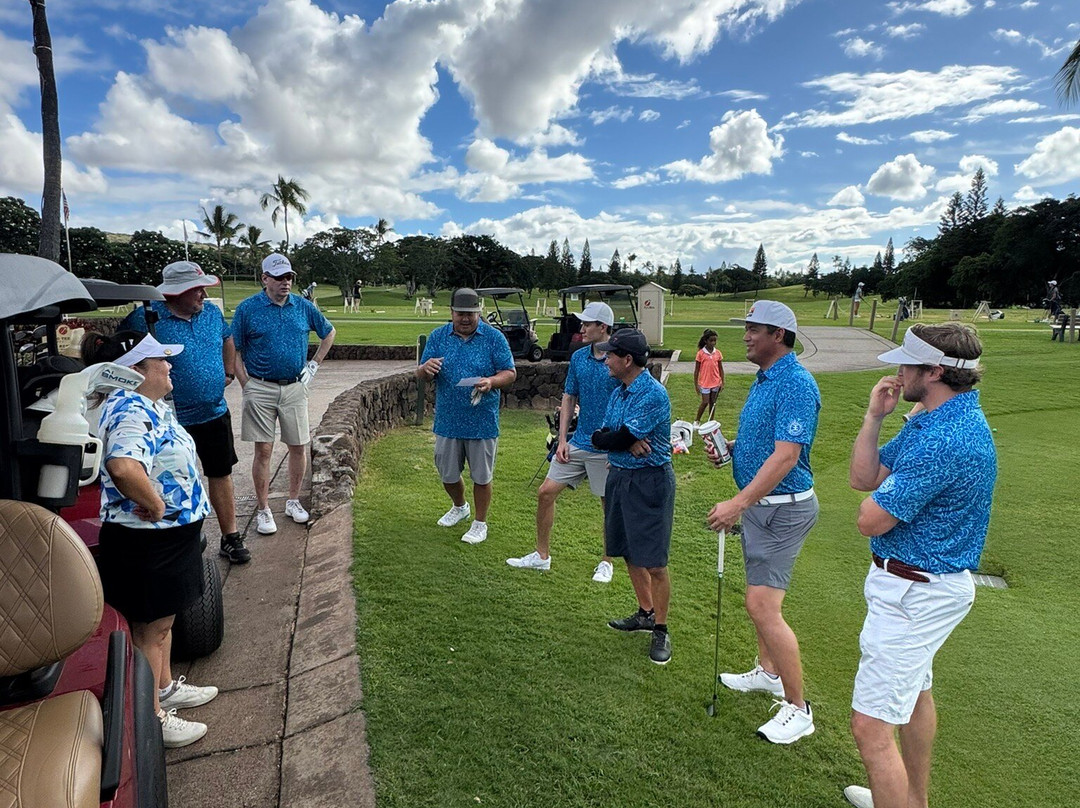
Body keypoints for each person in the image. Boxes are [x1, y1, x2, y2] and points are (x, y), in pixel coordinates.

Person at [843, 323, 996, 808]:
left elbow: (869, 518)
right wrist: (874, 417)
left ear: (934, 372)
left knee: (870, 727)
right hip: (922, 586)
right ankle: (913, 800)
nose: (899, 373)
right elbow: (863, 476)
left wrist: (880, 499)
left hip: (915, 593)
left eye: (908, 365)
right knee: (914, 697)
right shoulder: (933, 420)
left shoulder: (943, 438)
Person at [84, 331, 219, 749]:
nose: (169, 365)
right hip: (150, 540)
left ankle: (164, 688)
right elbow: (124, 466)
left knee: (163, 624)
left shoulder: (148, 404)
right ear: (135, 371)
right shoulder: (130, 408)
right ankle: (150, 718)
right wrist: (157, 505)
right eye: (161, 360)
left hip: (167, 538)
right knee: (149, 631)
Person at [707, 300, 820, 744]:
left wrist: (737, 503)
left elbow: (787, 456)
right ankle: (768, 673)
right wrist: (733, 448)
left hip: (783, 509)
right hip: (763, 506)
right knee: (759, 597)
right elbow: (768, 443)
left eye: (755, 329)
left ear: (779, 335)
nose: (746, 336)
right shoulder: (766, 378)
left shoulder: (796, 383)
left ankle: (799, 708)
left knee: (761, 605)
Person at [121, 260, 249, 565]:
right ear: (175, 293)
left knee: (221, 472)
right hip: (170, 418)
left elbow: (227, 338)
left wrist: (228, 371)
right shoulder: (145, 318)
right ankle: (184, 540)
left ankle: (230, 536)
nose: (203, 294)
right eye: (196, 289)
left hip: (214, 411)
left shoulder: (212, 314)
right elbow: (124, 357)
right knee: (174, 479)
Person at [506, 302, 620, 581]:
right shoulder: (579, 357)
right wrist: (561, 440)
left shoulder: (619, 359)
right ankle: (541, 556)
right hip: (578, 442)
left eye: (587, 324)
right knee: (546, 492)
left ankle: (607, 562)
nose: (582, 328)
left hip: (607, 446)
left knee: (608, 504)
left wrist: (621, 444)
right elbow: (569, 397)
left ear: (603, 327)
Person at [232, 254, 336, 535]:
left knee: (298, 445)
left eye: (289, 277)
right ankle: (263, 509)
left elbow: (329, 333)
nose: (285, 282)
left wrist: (314, 365)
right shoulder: (247, 309)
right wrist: (245, 383)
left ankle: (292, 501)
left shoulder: (303, 306)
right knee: (263, 449)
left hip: (294, 387)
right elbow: (235, 348)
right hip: (260, 386)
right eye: (279, 277)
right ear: (265, 279)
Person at [593, 328, 675, 665]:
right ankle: (645, 612)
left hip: (649, 481)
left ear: (627, 359)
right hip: (620, 476)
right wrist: (624, 442)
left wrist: (621, 439)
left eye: (610, 355)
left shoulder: (652, 394)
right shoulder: (619, 392)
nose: (605, 360)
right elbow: (600, 436)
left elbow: (616, 436)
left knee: (654, 561)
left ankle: (661, 628)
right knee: (627, 550)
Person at [416, 287, 516, 544]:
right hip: (448, 420)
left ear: (479, 313)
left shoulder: (494, 338)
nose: (465, 319)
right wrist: (425, 369)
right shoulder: (438, 336)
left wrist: (492, 381)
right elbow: (422, 373)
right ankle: (460, 506)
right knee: (447, 474)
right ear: (451, 312)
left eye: (470, 314)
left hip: (482, 421)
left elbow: (509, 372)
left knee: (481, 477)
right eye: (460, 313)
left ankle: (480, 523)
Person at [693, 328, 725, 425]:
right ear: (705, 341)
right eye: (711, 340)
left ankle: (711, 421)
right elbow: (696, 370)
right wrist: (696, 385)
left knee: (713, 402)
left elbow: (720, 369)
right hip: (705, 382)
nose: (713, 343)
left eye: (715, 340)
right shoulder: (701, 353)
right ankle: (697, 420)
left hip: (715, 382)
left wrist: (722, 382)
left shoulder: (717, 353)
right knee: (705, 402)